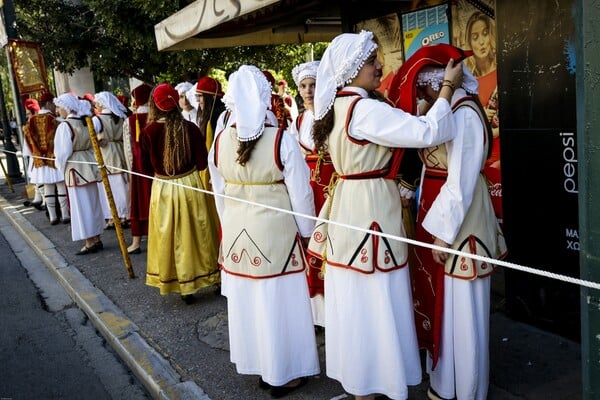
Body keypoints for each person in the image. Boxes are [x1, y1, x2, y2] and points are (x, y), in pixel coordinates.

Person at [306, 30, 463, 400]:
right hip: (371, 206)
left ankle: (363, 382)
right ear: (353, 68)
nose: (380, 66)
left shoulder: (338, 107)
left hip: (350, 203)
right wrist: (446, 91)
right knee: (377, 296)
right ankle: (377, 384)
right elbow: (427, 132)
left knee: (356, 297)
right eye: (373, 61)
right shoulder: (364, 109)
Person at [394, 43, 507, 400]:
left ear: (432, 82)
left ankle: (468, 389)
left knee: (464, 310)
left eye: (421, 87)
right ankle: (446, 382)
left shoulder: (465, 114)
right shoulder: (448, 110)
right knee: (444, 306)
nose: (421, 95)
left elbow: (460, 181)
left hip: (462, 223)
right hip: (441, 214)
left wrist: (443, 235)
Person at [208, 65, 319, 397]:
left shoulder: (218, 143)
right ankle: (284, 373)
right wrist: (308, 232)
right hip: (276, 236)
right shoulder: (281, 139)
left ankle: (259, 365)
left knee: (250, 303)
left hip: (238, 234)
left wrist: (228, 226)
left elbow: (218, 193)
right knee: (279, 304)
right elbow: (301, 194)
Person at [140, 83, 220, 303]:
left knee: (171, 236)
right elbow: (203, 163)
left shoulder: (148, 132)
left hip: (164, 188)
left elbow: (145, 169)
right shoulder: (190, 128)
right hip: (190, 185)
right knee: (199, 233)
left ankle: (184, 286)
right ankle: (211, 276)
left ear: (154, 106)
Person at [288, 60, 331, 328]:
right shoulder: (300, 119)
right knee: (310, 244)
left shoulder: (330, 115)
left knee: (328, 242)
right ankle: (316, 312)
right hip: (308, 185)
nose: (307, 90)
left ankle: (332, 307)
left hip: (330, 184)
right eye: (303, 86)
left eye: (313, 85)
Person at [53, 93, 104, 255]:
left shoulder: (65, 126)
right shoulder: (86, 121)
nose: (58, 110)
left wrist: (60, 167)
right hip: (88, 163)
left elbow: (62, 153)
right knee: (93, 203)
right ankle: (96, 237)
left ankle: (89, 241)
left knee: (80, 206)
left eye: (59, 107)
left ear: (67, 108)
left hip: (75, 166)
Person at [22, 92, 70, 225]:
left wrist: (34, 155)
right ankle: (65, 215)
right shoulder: (57, 121)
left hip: (40, 160)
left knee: (48, 187)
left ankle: (53, 217)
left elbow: (27, 144)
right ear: (49, 103)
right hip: (54, 159)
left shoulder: (29, 123)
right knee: (60, 186)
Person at [122, 83, 153, 254]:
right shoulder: (156, 116)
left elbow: (129, 148)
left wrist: (131, 170)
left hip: (139, 169)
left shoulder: (131, 120)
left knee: (139, 203)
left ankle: (136, 242)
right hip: (157, 169)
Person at [93, 91, 130, 230]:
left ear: (102, 104)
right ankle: (125, 215)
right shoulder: (120, 117)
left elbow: (92, 137)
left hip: (107, 152)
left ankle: (115, 216)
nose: (95, 105)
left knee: (112, 185)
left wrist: (97, 141)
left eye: (97, 102)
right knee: (123, 184)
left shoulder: (98, 120)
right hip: (121, 149)